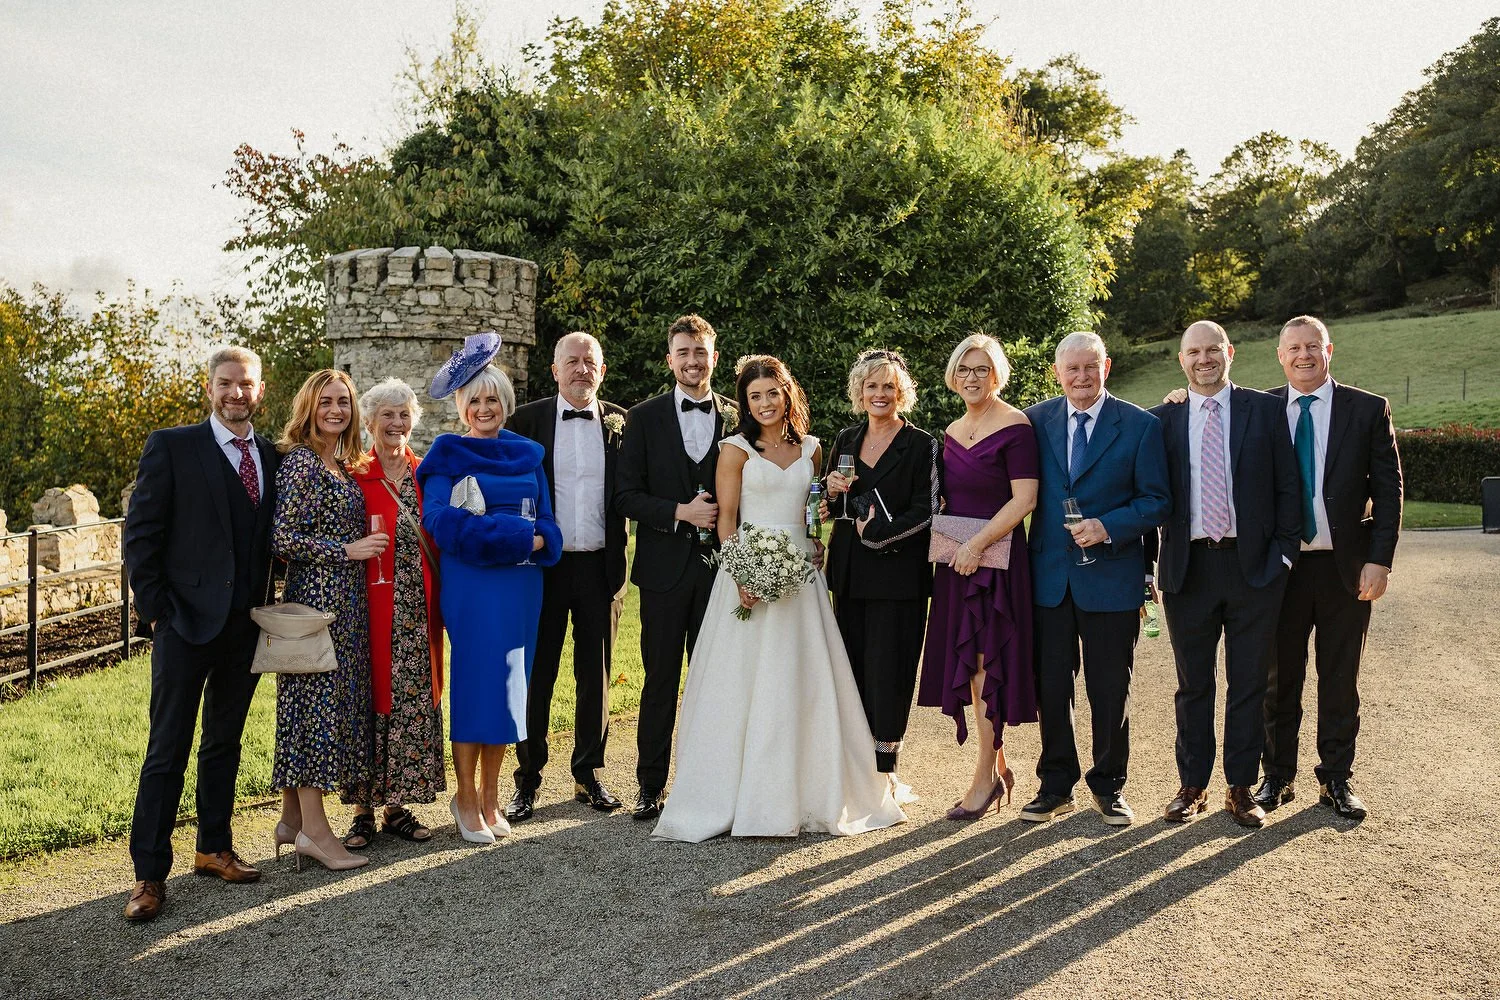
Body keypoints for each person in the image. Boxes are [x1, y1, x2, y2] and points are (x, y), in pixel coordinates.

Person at [652, 355, 907, 842]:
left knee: (805, 677)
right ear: (745, 403)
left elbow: (813, 508)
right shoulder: (735, 450)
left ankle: (812, 786)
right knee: (747, 681)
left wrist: (816, 536)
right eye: (755, 396)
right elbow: (726, 521)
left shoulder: (812, 449)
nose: (765, 403)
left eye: (773, 393)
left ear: (787, 394)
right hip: (748, 569)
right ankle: (739, 792)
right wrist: (741, 574)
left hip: (803, 576)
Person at [122, 346, 281, 921]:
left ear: (260, 390)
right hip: (184, 625)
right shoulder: (173, 445)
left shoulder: (269, 454)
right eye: (226, 383)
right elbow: (140, 533)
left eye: (246, 384)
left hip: (244, 627)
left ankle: (214, 847)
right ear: (209, 387)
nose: (236, 393)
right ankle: (147, 875)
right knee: (167, 749)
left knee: (223, 742)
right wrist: (157, 611)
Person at [1150, 321, 1301, 828]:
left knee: (1249, 683)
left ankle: (1240, 788)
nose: (1203, 359)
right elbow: (1150, 496)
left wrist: (1282, 557)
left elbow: (1289, 488)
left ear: (1229, 352)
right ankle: (1192, 785)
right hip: (1188, 568)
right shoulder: (1163, 419)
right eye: (1193, 352)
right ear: (1181, 359)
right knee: (1194, 685)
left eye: (1212, 350)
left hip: (1254, 568)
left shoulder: (1265, 410)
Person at [1255, 316, 1402, 820]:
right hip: (1283, 569)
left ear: (1329, 350)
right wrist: (1177, 399)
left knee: (1340, 678)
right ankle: (1277, 776)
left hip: (1347, 569)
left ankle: (1336, 779)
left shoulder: (1367, 409)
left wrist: (1379, 560)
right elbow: (1204, 422)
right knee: (1279, 680)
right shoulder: (1261, 409)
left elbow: (1388, 491)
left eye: (1312, 347)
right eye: (1293, 348)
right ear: (1280, 356)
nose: (1303, 356)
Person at [417, 338, 563, 844]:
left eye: (493, 400)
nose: (484, 409)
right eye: (474, 401)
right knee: (478, 685)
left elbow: (549, 520)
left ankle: (492, 796)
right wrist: (521, 537)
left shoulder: (527, 454)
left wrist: (542, 538)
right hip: (473, 585)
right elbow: (438, 521)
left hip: (523, 585)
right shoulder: (447, 454)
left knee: (510, 687)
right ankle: (465, 797)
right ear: (461, 406)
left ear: (506, 403)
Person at [1021, 331, 1170, 827]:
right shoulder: (1033, 421)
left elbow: (1157, 501)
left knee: (1110, 688)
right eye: (1072, 369)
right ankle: (1055, 784)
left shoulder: (1141, 426)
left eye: (1091, 367)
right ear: (1057, 372)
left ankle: (1109, 786)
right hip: (1048, 578)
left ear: (1106, 367)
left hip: (1112, 575)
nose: (1081, 377)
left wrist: (1109, 526)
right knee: (1050, 686)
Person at [614, 314, 737, 820]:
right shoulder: (642, 418)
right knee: (660, 680)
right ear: (671, 359)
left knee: (718, 680)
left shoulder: (738, 416)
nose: (693, 361)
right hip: (663, 573)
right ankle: (650, 786)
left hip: (721, 573)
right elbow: (624, 495)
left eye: (700, 352)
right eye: (683, 353)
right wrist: (678, 513)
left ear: (714, 357)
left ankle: (713, 784)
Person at [506, 332, 630, 820]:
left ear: (602, 370)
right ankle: (528, 778)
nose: (582, 370)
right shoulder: (526, 422)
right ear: (555, 370)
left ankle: (587, 773)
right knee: (538, 673)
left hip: (602, 565)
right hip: (543, 566)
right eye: (572, 362)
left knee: (594, 674)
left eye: (590, 362)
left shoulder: (624, 423)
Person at [917, 335, 1041, 822]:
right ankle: (997, 764)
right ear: (953, 374)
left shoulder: (1016, 426)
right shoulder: (950, 429)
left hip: (996, 561)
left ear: (997, 374)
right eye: (964, 368)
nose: (972, 376)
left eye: (982, 369)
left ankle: (985, 775)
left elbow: (1024, 499)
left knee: (990, 664)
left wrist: (976, 546)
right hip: (956, 564)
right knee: (969, 668)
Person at [270, 369, 386, 872]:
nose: (336, 409)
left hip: (345, 603)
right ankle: (316, 834)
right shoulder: (300, 463)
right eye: (326, 402)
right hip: (316, 602)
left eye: (343, 401)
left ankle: (292, 819)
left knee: (321, 708)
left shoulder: (338, 463)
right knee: (314, 712)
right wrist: (348, 549)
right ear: (308, 409)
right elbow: (283, 539)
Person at [822, 349, 938, 799]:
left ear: (901, 391)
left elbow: (928, 509)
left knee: (889, 672)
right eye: (872, 386)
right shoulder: (846, 440)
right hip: (849, 574)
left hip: (899, 580)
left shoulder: (922, 444)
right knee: (851, 670)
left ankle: (885, 772)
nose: (880, 394)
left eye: (889, 386)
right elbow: (828, 510)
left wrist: (881, 533)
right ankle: (853, 770)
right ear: (859, 392)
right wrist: (829, 492)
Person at [343, 378, 446, 848]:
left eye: (404, 414)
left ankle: (397, 807)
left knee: (409, 699)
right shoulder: (351, 475)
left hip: (417, 607)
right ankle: (362, 811)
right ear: (369, 421)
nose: (397, 423)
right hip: (366, 606)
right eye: (387, 414)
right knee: (368, 699)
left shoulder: (427, 474)